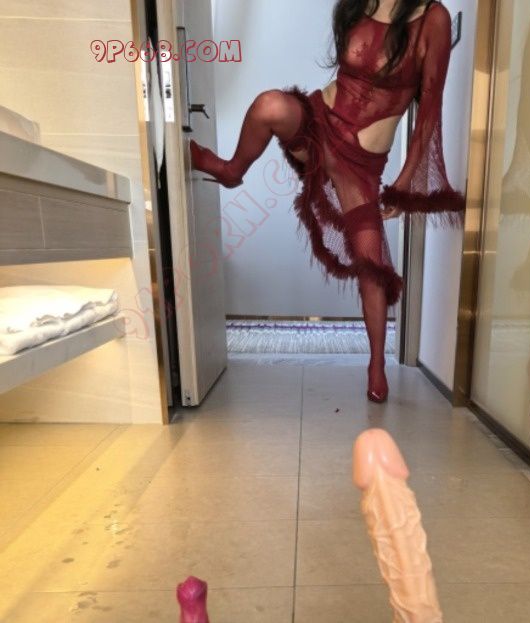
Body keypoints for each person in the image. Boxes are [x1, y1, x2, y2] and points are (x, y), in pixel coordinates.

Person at [189, 0, 465, 403]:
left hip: (361, 162)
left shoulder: (432, 18)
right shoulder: (361, 4)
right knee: (270, 105)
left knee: (371, 264)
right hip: (320, 123)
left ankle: (376, 364)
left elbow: (429, 111)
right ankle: (232, 171)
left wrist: (404, 184)